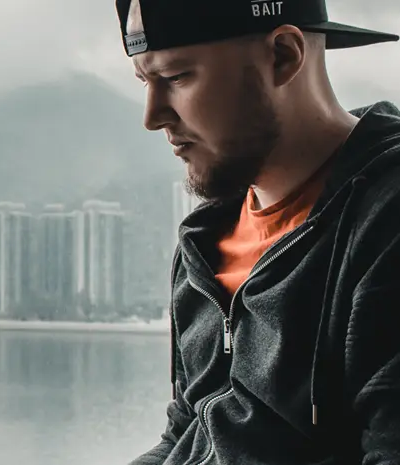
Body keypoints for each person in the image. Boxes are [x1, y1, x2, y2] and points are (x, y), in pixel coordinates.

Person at [115, 0, 400, 463]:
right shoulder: (205, 242)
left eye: (177, 77)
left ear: (283, 56)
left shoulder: (384, 222)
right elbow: (186, 434)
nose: (152, 116)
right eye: (145, 81)